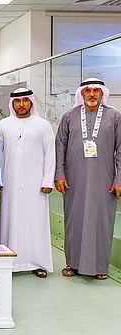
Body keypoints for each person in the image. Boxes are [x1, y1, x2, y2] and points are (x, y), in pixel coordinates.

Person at [55, 78, 121, 280]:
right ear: (81, 94)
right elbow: (60, 148)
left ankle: (100, 266)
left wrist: (119, 179)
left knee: (102, 220)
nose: (92, 94)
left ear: (102, 94)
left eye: (96, 91)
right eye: (88, 91)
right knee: (74, 220)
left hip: (105, 179)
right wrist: (59, 174)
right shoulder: (69, 116)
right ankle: (72, 264)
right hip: (74, 180)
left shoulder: (115, 117)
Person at [0, 88, 55, 278]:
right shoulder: (3, 125)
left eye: (25, 101)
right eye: (17, 101)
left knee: (35, 223)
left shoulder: (43, 125)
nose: (21, 105)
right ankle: (8, 261)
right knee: (10, 220)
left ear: (31, 102)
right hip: (9, 184)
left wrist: (48, 180)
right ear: (12, 104)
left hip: (36, 185)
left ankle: (37, 262)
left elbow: (50, 155)